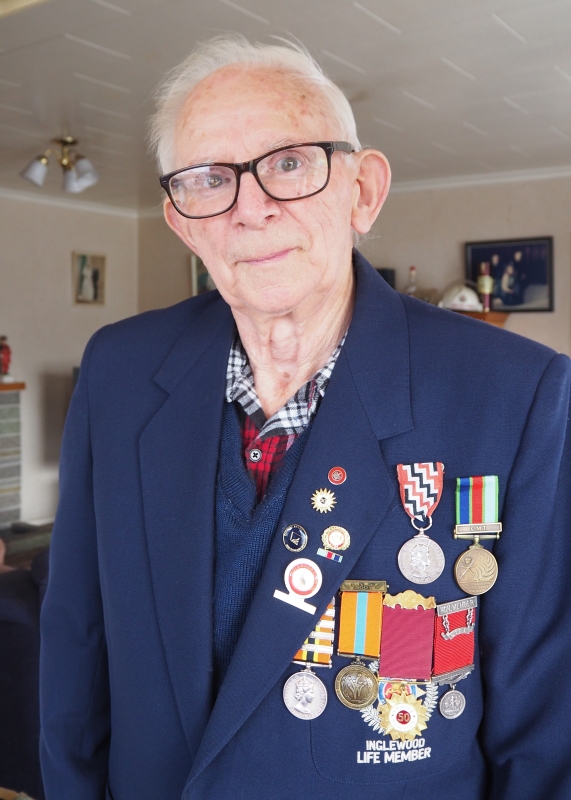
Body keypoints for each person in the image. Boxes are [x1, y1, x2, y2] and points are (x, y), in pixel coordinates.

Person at [40, 36, 571, 800]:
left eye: (288, 163)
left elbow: (546, 732)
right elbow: (73, 651)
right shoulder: (119, 371)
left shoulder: (516, 393)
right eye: (209, 179)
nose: (249, 209)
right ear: (184, 222)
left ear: (362, 191)